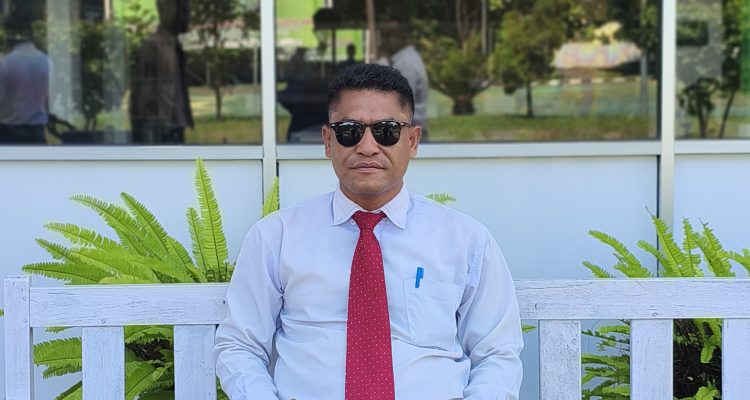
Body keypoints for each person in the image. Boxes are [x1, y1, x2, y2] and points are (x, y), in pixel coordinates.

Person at [215, 63, 523, 399]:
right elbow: (240, 345)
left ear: (412, 141)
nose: (367, 147)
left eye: (386, 131)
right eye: (349, 131)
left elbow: (497, 352)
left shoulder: (465, 240)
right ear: (328, 141)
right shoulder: (277, 238)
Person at [129, 0, 193, 144]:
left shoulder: (174, 47)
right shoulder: (153, 47)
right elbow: (141, 97)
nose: (186, 15)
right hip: (161, 133)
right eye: (181, 9)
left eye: (187, 10)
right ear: (162, 8)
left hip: (175, 129)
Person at [0, 23, 51, 144]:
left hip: (8, 132)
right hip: (37, 132)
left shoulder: (6, 63)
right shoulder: (47, 62)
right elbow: (49, 99)